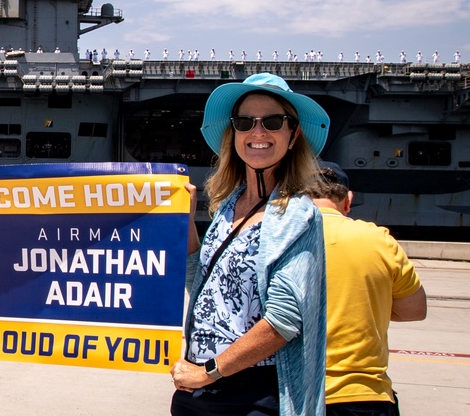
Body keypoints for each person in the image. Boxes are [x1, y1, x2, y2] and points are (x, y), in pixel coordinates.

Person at [172, 73, 328, 416]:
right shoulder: (230, 205)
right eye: (245, 122)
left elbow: (283, 322)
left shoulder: (298, 215)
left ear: (294, 134)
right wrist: (182, 218)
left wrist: (208, 371)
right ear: (234, 134)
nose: (258, 133)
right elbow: (201, 283)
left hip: (249, 393)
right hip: (196, 388)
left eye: (273, 121)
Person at [308, 162, 426, 416]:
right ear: (348, 201)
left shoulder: (276, 238)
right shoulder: (379, 239)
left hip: (293, 394)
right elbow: (415, 310)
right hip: (365, 396)